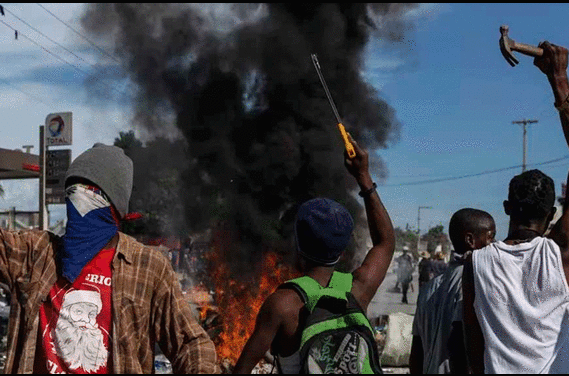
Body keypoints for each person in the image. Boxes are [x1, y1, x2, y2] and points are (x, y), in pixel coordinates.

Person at [0, 91, 219, 373]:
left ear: (116, 206)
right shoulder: (34, 254)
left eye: (91, 192)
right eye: (73, 189)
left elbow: (190, 343)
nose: (78, 199)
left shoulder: (148, 268)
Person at [232, 134, 395, 373]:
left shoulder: (282, 304)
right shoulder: (357, 290)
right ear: (342, 249)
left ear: (298, 245)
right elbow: (385, 243)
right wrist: (364, 177)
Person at [462, 41, 569, 374]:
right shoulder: (561, 254)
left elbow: (473, 346)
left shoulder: (475, 264)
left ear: (506, 208)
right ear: (552, 214)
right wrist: (559, 79)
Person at [410, 208, 495, 374]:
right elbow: (460, 348)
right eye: (491, 237)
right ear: (470, 240)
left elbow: (416, 352)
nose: (494, 245)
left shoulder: (428, 288)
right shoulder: (474, 283)